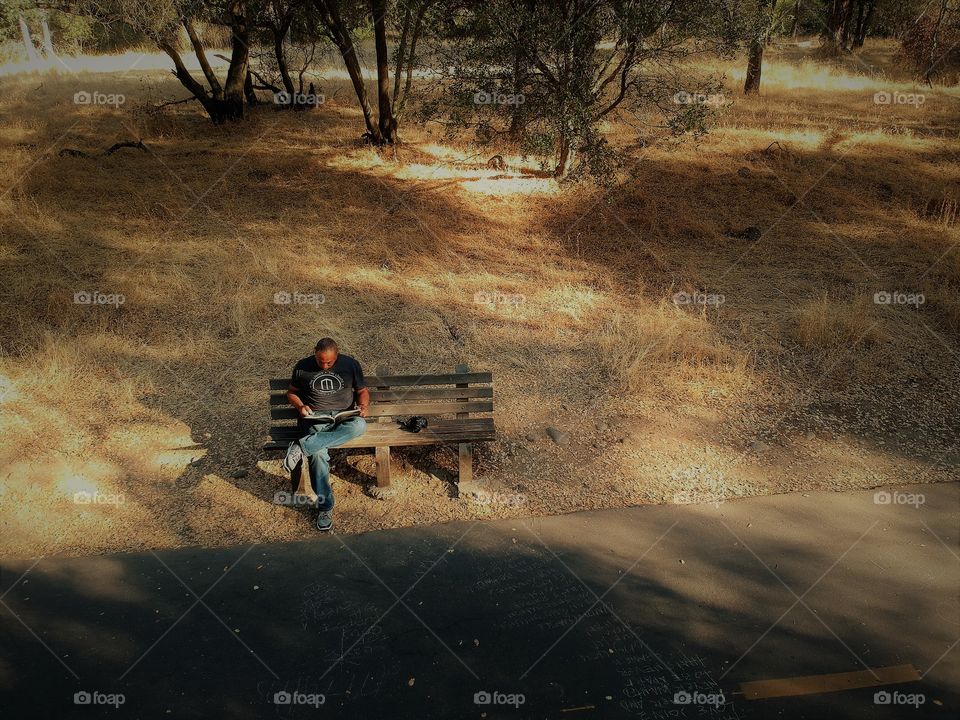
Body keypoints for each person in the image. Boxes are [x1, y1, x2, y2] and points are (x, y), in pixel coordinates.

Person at [282, 338, 369, 531]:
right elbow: (292, 393)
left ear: (337, 355)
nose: (325, 365)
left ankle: (301, 446)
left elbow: (362, 391)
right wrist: (300, 406)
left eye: (329, 362)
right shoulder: (302, 366)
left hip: (344, 417)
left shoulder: (350, 364)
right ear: (315, 353)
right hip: (316, 418)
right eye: (321, 361)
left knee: (359, 426)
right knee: (318, 454)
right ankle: (325, 507)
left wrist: (363, 406)